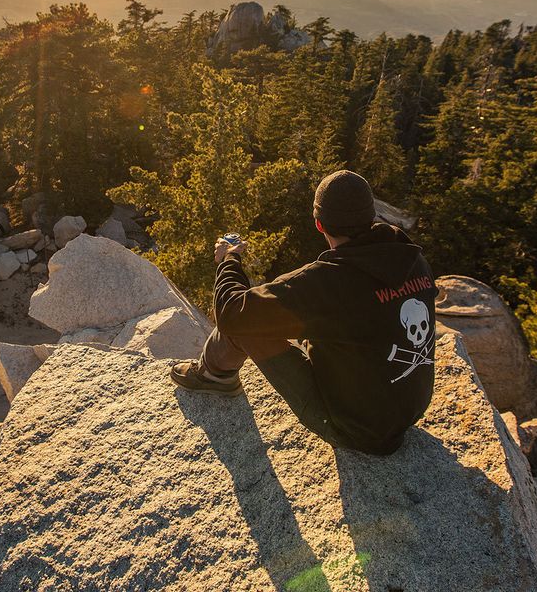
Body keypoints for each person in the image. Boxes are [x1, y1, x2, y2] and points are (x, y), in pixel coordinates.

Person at [170, 170, 436, 455]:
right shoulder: (411, 258)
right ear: (372, 216)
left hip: (357, 430)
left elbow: (231, 312)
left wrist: (229, 259)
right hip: (409, 409)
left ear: (319, 224)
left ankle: (214, 376)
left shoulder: (329, 283)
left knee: (249, 321)